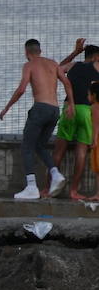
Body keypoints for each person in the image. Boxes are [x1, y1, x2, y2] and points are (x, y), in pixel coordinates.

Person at [0, 38, 74, 199]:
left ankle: (32, 186)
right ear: (40, 50)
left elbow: (21, 89)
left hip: (40, 108)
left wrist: (6, 108)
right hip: (54, 110)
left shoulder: (29, 65)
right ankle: (56, 174)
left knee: (27, 146)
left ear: (26, 52)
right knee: (40, 145)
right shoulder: (53, 64)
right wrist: (72, 105)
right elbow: (67, 82)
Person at [55, 40, 97, 199]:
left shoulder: (73, 65)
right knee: (81, 152)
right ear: (95, 57)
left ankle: (47, 188)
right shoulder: (97, 68)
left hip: (69, 109)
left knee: (59, 150)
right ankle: (73, 191)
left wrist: (75, 52)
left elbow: (57, 69)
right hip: (86, 111)